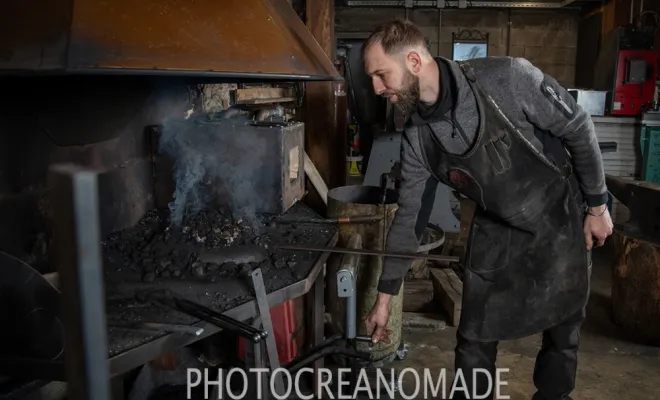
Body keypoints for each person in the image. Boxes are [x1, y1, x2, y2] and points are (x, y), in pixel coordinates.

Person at [361, 19, 613, 400]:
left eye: (381, 75)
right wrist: (385, 297)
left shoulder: (508, 78)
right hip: (495, 227)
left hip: (559, 217)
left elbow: (579, 128)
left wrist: (597, 205)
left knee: (563, 332)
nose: (378, 89)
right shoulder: (416, 138)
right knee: (473, 338)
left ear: (413, 61)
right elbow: (409, 216)